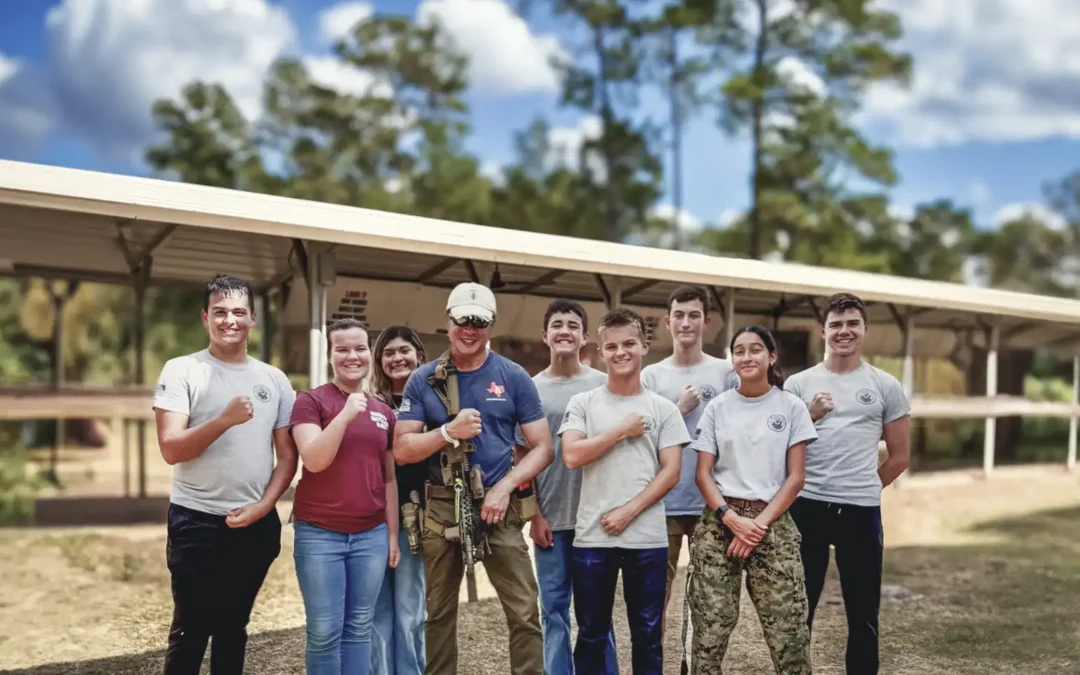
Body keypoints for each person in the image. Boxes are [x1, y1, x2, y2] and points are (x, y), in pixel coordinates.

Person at [393, 282, 554, 675]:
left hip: (499, 509)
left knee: (524, 611)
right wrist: (448, 432)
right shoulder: (424, 379)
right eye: (462, 319)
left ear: (491, 325)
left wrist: (505, 488)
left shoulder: (513, 376)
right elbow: (402, 448)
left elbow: (543, 448)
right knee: (438, 614)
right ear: (448, 321)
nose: (470, 329)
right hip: (441, 509)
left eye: (479, 322)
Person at [152, 274, 298, 675]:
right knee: (190, 630)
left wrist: (263, 507)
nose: (228, 320)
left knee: (233, 628)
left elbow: (288, 457)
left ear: (253, 319)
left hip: (254, 525)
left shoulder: (274, 380)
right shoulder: (182, 370)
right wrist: (224, 420)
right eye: (219, 312)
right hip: (196, 521)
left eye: (238, 312)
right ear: (205, 317)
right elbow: (171, 449)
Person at [785, 292, 911, 675]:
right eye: (836, 324)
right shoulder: (798, 384)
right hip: (806, 507)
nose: (844, 331)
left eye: (852, 323)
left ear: (865, 329)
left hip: (860, 512)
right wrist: (809, 415)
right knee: (797, 610)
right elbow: (779, 447)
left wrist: (865, 486)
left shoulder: (885, 385)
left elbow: (900, 456)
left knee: (863, 613)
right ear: (822, 331)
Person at [560, 308, 690, 675]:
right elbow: (571, 455)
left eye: (629, 344)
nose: (621, 352)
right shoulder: (583, 403)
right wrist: (621, 430)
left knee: (647, 636)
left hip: (647, 539)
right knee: (591, 635)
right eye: (612, 346)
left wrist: (627, 512)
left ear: (644, 346)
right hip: (592, 537)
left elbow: (672, 472)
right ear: (600, 352)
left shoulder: (664, 409)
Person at [686, 325, 816, 675]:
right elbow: (703, 474)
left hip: (771, 523)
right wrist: (731, 518)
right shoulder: (718, 407)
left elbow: (796, 478)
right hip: (719, 524)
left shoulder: (791, 407)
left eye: (755, 349)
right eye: (739, 350)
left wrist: (757, 526)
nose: (746, 356)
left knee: (788, 631)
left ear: (771, 357)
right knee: (710, 626)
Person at [289, 318, 400, 675]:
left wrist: (392, 535)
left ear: (370, 353)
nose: (352, 356)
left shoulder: (384, 412)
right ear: (330, 355)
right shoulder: (310, 402)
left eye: (360, 348)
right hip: (320, 534)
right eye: (342, 349)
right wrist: (345, 415)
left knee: (359, 626)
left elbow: (389, 479)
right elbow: (314, 460)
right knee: (324, 632)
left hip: (371, 535)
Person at [514, 299, 618, 675]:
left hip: (596, 518)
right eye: (557, 325)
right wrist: (534, 514)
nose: (564, 331)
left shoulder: (603, 384)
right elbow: (521, 455)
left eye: (573, 325)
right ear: (545, 336)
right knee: (553, 610)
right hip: (551, 520)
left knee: (597, 613)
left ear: (584, 337)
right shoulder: (530, 389)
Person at [640, 284, 738, 619]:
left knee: (710, 600)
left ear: (705, 322)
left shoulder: (726, 373)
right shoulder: (651, 376)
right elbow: (641, 437)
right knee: (655, 598)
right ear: (667, 321)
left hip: (711, 504)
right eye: (679, 315)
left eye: (693, 315)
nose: (686, 323)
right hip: (662, 502)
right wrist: (677, 409)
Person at [368, 325, 429, 675]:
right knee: (376, 611)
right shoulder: (369, 405)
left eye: (404, 350)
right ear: (379, 361)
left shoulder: (434, 401)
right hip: (374, 518)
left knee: (410, 609)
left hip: (417, 518)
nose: (397, 358)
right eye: (388, 353)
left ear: (419, 355)